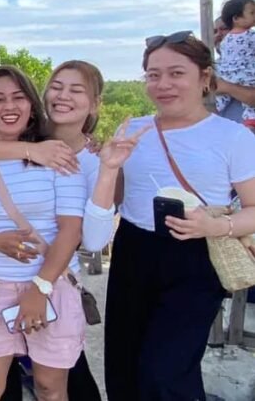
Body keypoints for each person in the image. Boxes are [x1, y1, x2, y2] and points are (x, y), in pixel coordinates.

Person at [90, 31, 255, 400]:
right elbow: (115, 199)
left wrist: (218, 225)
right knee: (123, 365)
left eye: (176, 73)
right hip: (134, 250)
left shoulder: (233, 137)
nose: (163, 84)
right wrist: (105, 165)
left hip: (196, 256)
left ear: (205, 77)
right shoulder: (133, 130)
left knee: (165, 372)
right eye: (153, 74)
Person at [0, 60, 112, 400]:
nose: (9, 106)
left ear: (32, 105)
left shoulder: (58, 156)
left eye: (18, 97)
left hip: (51, 286)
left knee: (50, 388)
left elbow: (71, 231)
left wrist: (40, 287)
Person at [214, 0, 255, 127]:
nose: (218, 34)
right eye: (214, 31)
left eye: (224, 29)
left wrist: (226, 87)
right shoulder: (213, 67)